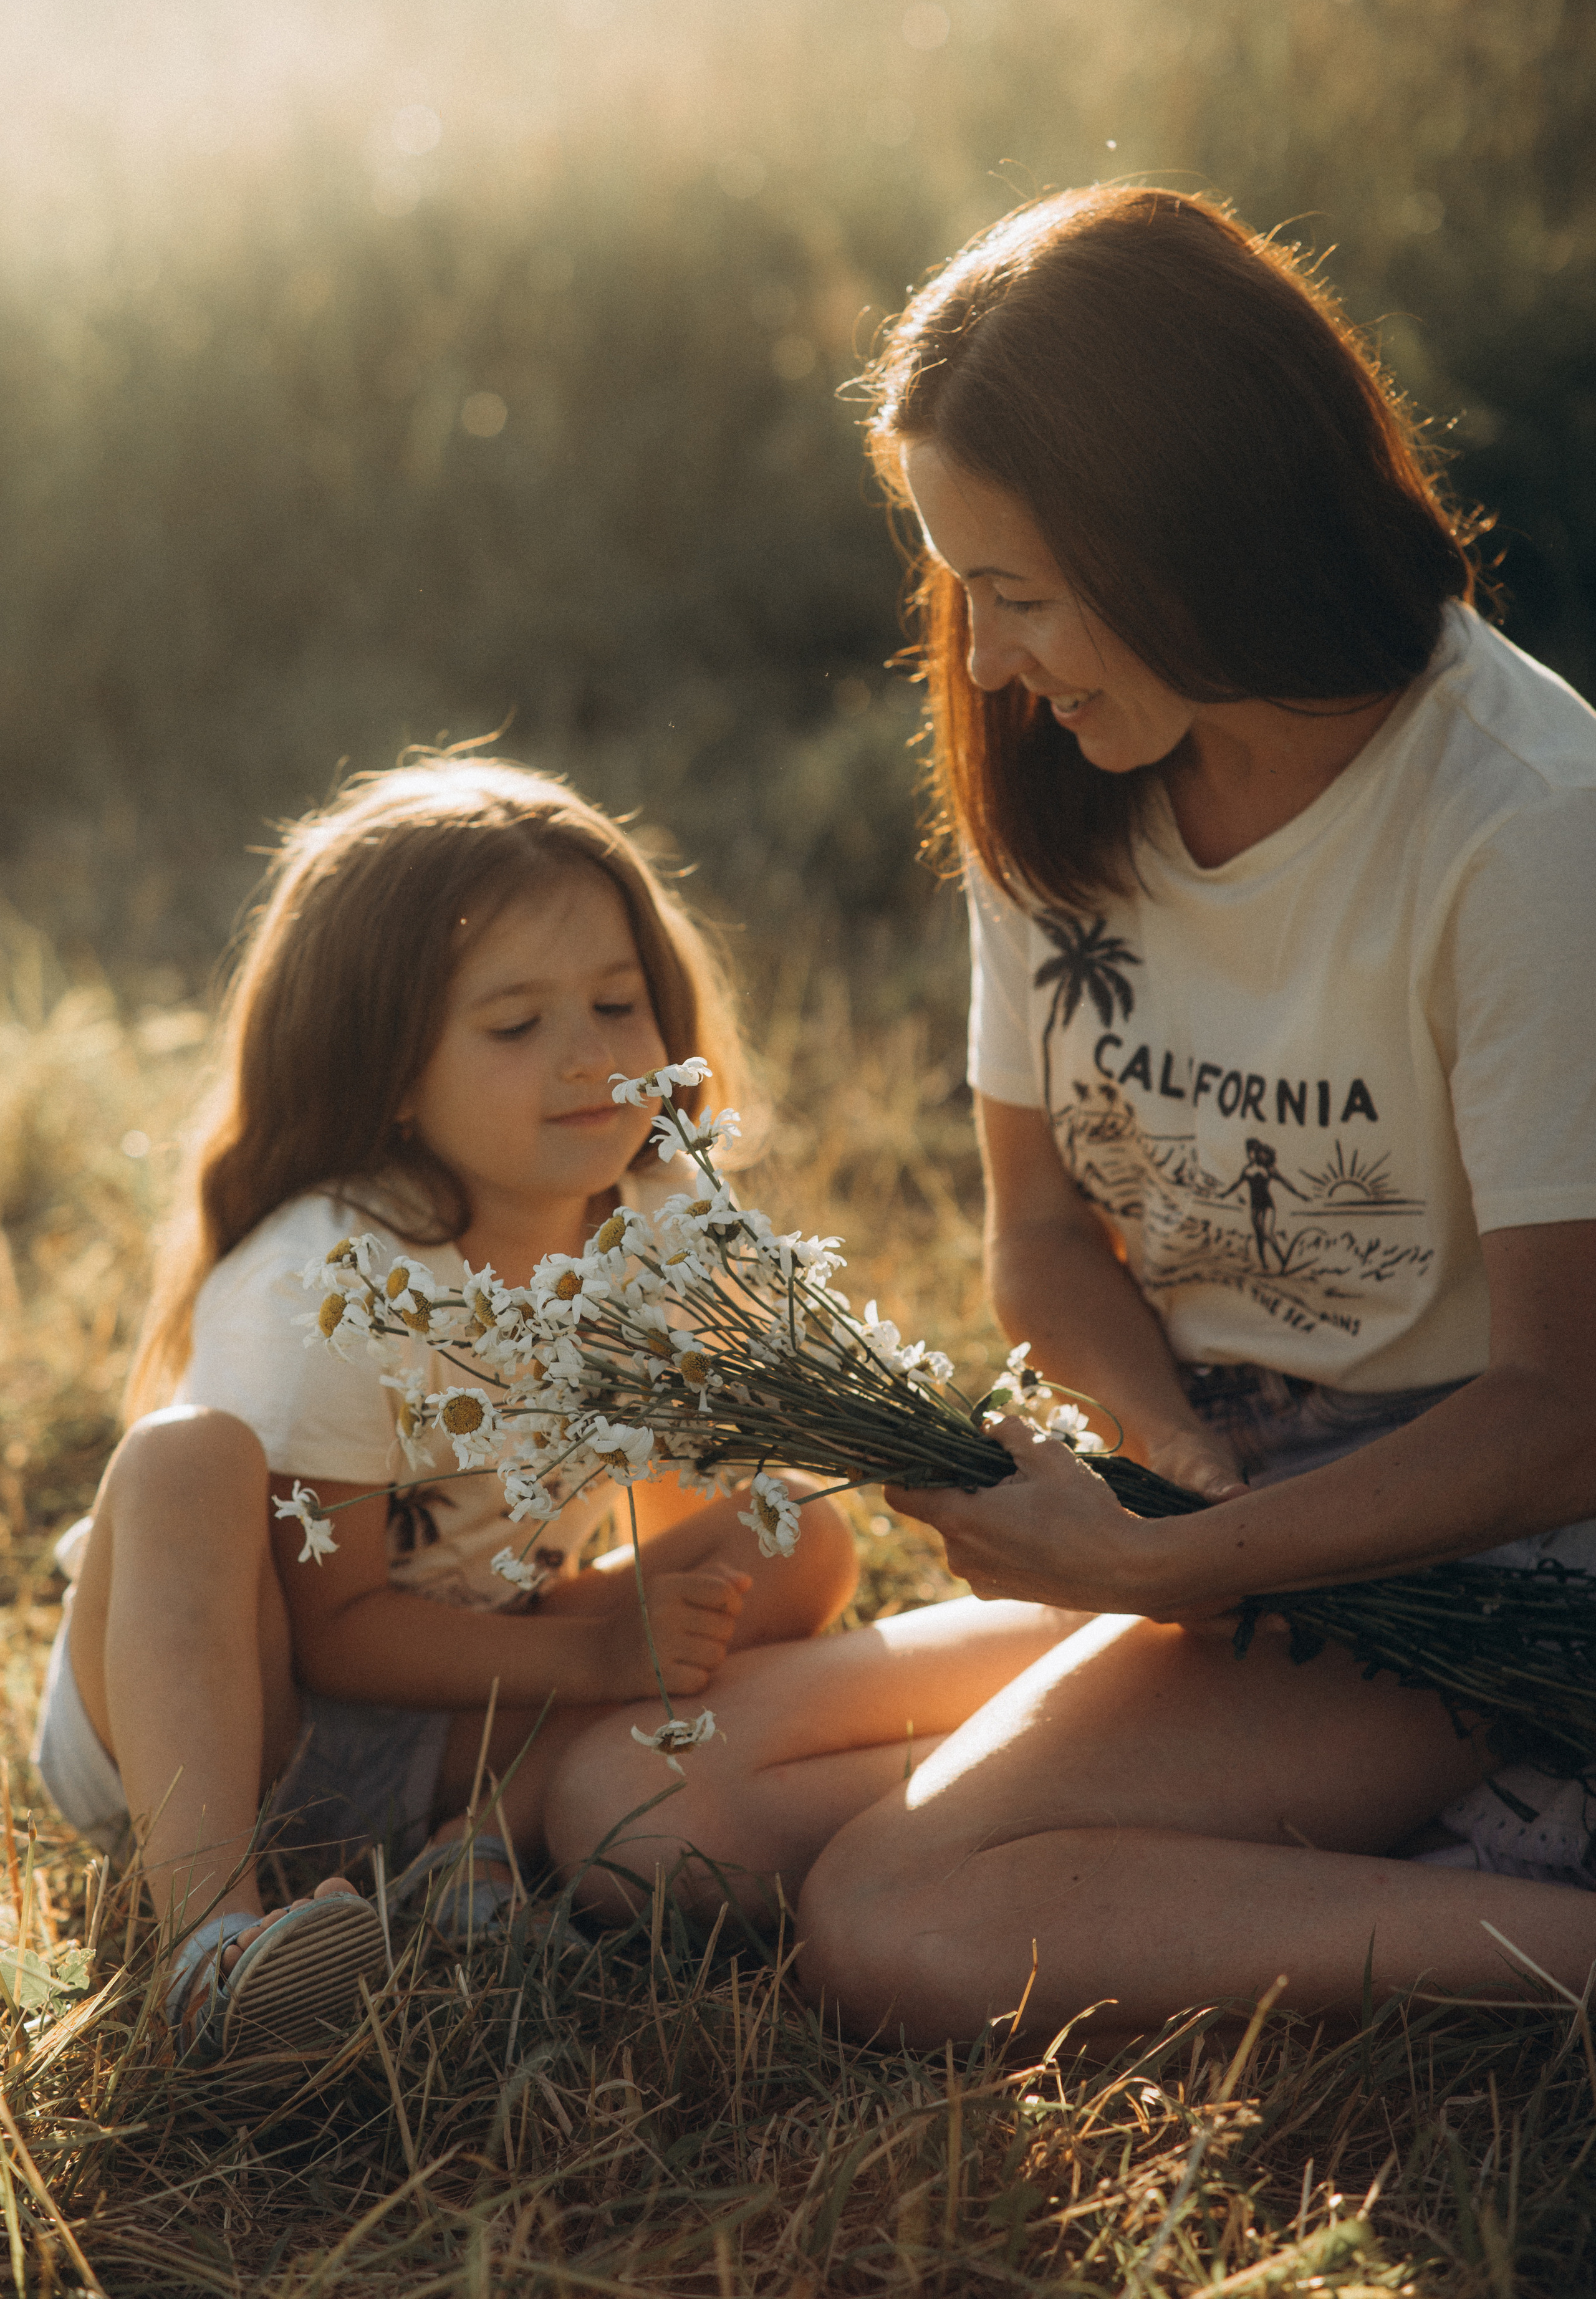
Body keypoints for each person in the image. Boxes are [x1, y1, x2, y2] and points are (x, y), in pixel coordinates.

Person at [549, 184, 1596, 2045]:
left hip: (1475, 1558)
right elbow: (1041, 1236)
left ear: (1187, 537)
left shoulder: (1524, 831)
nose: (988, 656)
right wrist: (1164, 1475)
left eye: (1019, 591)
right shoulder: (1065, 780)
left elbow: (1560, 1418)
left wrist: (1177, 1565)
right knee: (637, 1805)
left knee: (893, 1919)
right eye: (961, 587)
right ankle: (1368, 1838)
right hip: (1225, 1501)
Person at [31, 757, 859, 2059]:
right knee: (183, 1462)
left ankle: (470, 1851)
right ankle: (213, 1943)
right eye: (514, 1024)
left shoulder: (650, 1243)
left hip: (462, 1713)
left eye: (615, 1001)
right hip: (235, 1718)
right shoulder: (332, 1281)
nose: (588, 1056)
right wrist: (599, 1655)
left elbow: (665, 1501)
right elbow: (339, 1630)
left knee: (791, 1537)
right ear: (393, 1071)